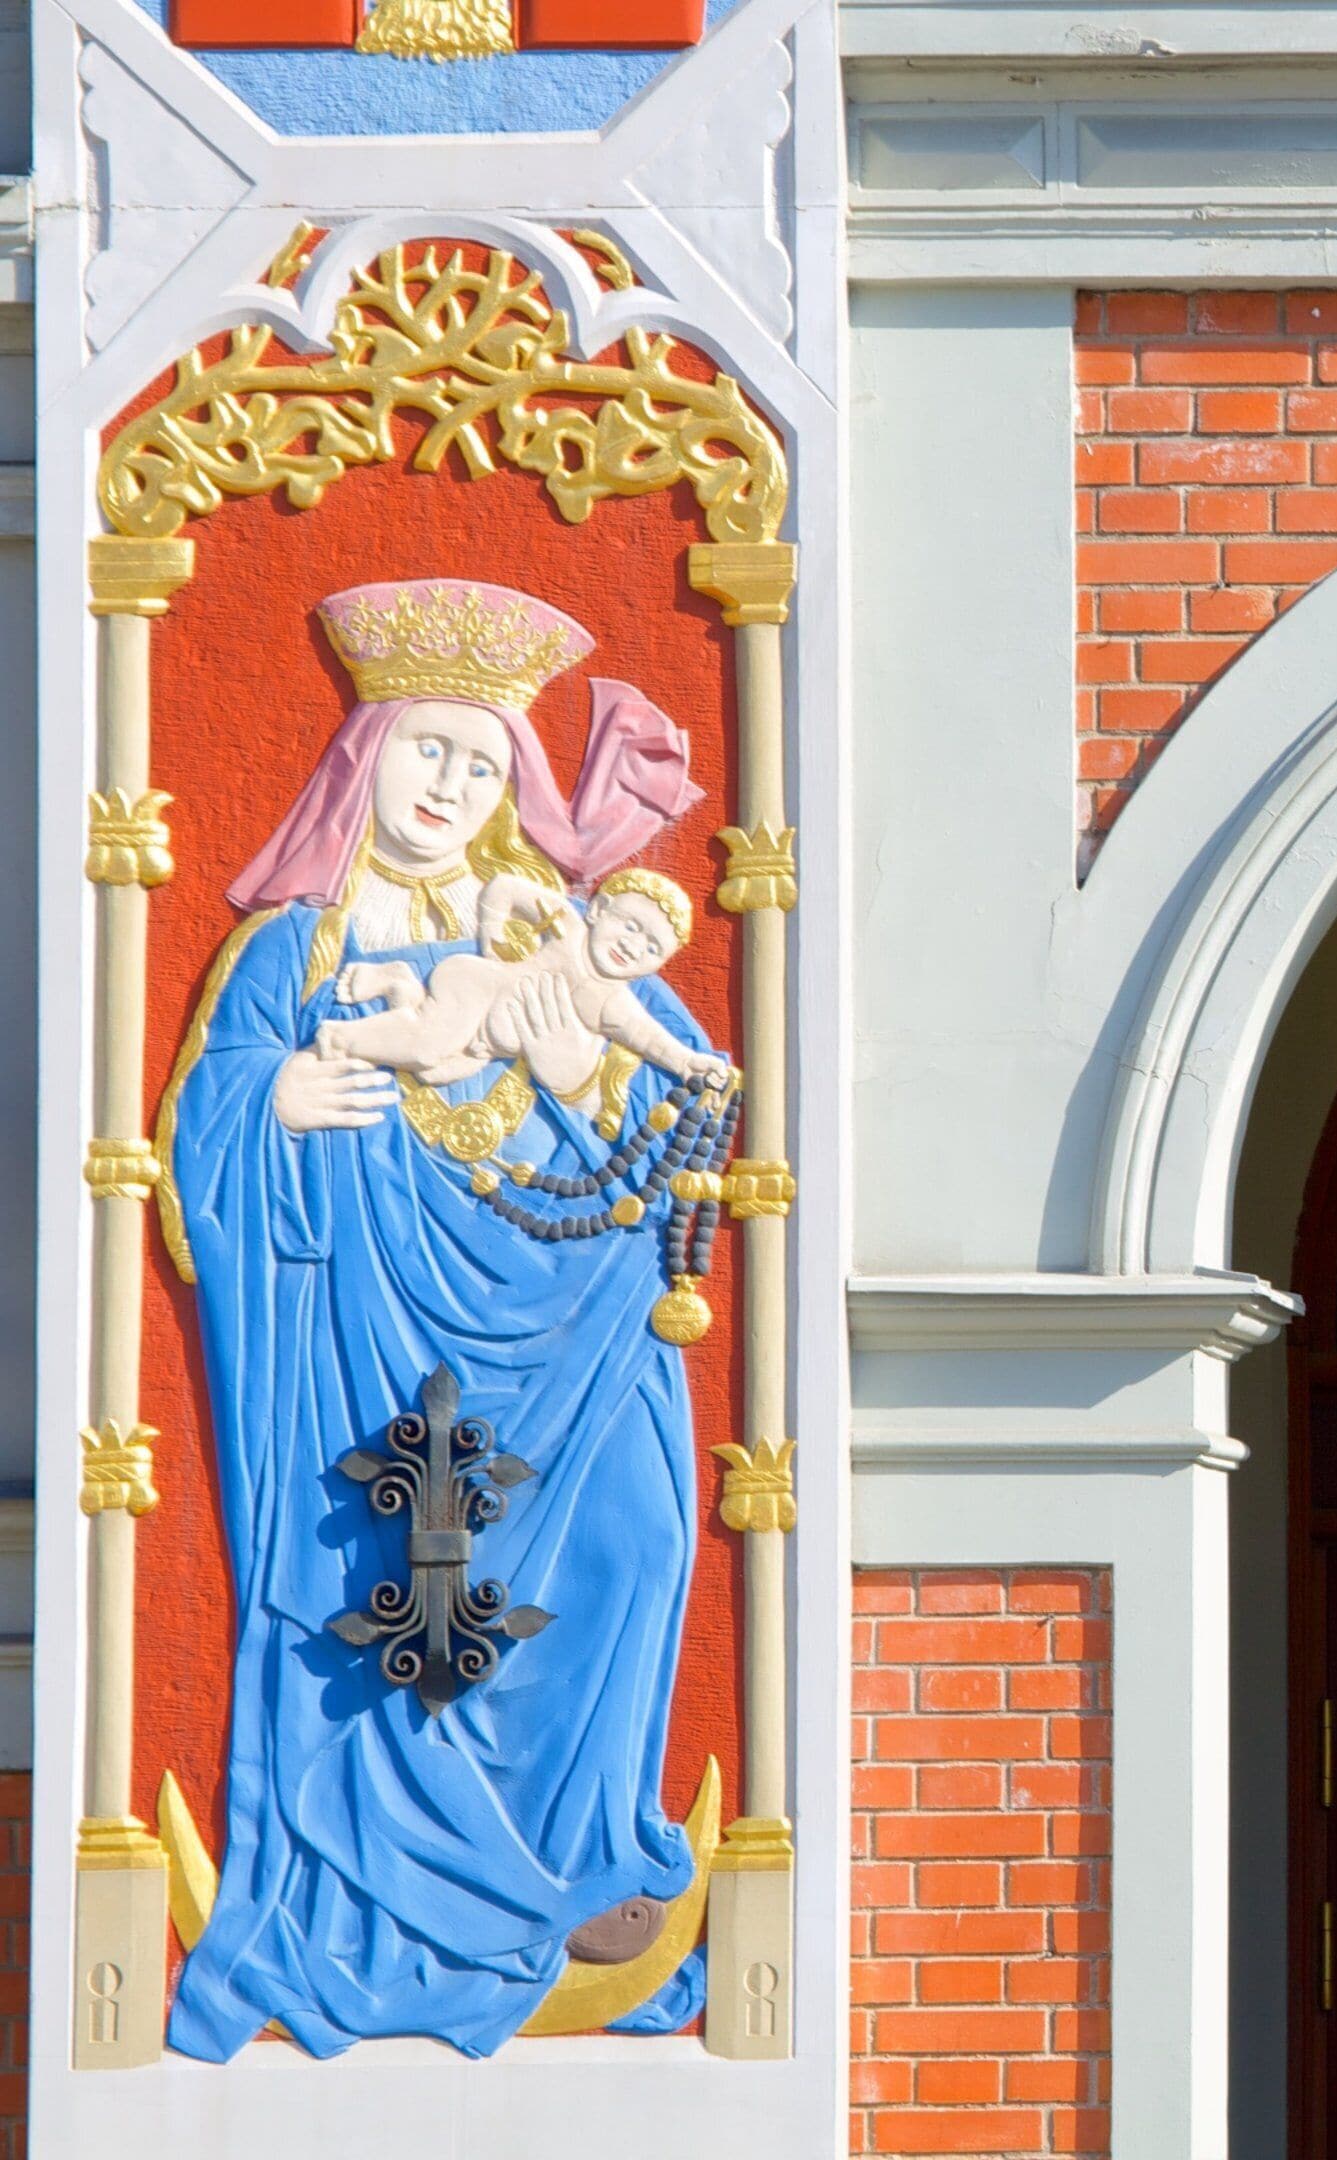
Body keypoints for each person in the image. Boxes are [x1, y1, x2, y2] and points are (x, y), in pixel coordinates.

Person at [159, 578, 719, 2059]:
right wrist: (271, 1099)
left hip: (577, 1314)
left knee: (640, 1543)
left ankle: (584, 1856)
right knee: (404, 1597)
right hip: (369, 1343)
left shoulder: (554, 923)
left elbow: (676, 1081)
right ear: (367, 757)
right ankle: (409, 1895)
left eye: (482, 763)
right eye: (428, 753)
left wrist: (601, 1078)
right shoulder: (295, 944)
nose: (451, 788)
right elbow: (205, 1123)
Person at [322, 867, 726, 1091]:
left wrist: (688, 1062)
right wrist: (491, 934)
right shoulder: (568, 928)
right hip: (477, 989)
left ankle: (400, 985)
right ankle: (340, 1038)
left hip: (486, 1047)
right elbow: (505, 886)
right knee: (427, 1046)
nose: (634, 946)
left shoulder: (613, 1004)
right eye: (631, 926)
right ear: (599, 909)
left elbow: (652, 1039)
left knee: (432, 1072)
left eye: (652, 948)